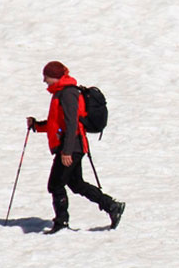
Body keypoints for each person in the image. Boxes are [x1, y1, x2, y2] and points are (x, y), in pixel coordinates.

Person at [27, 61, 125, 234]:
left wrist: (67, 151)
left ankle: (61, 223)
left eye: (46, 76)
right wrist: (37, 125)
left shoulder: (68, 93)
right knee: (76, 184)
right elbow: (57, 124)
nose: (44, 80)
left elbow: (72, 124)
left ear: (55, 76)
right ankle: (112, 206)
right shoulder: (59, 93)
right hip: (71, 146)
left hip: (71, 147)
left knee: (55, 185)